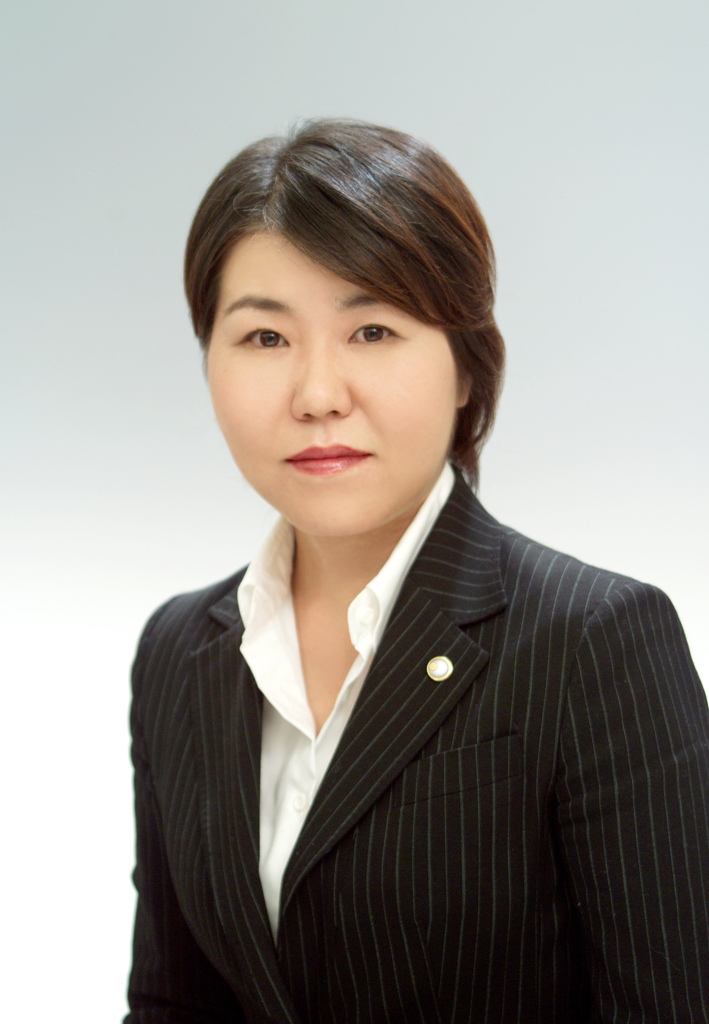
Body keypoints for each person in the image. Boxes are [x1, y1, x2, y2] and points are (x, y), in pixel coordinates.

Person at [125, 119, 709, 1024]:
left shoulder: (594, 641)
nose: (317, 395)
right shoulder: (177, 652)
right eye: (265, 338)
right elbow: (172, 1002)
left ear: (466, 368)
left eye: (371, 330)